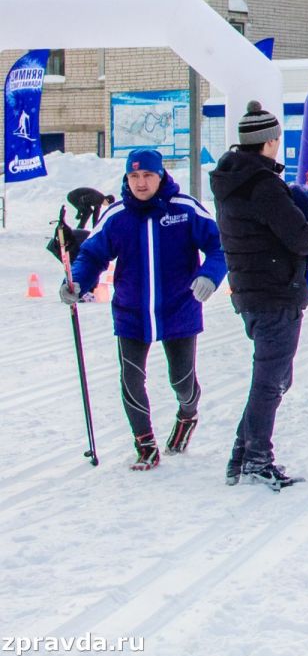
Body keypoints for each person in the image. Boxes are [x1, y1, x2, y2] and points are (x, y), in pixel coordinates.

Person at [62, 149, 226, 469]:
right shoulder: (116, 215)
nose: (140, 182)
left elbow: (220, 246)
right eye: (134, 176)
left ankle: (187, 414)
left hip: (179, 309)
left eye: (147, 175)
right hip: (131, 312)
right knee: (131, 380)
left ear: (160, 175)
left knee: (182, 381)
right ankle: (145, 444)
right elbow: (92, 256)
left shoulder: (184, 209)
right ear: (126, 178)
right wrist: (77, 283)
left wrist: (210, 275)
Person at [210, 101, 308, 490]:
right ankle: (256, 460)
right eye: (277, 139)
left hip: (250, 290)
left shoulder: (232, 183)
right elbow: (297, 235)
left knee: (273, 377)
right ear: (268, 142)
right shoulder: (263, 186)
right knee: (271, 380)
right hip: (275, 291)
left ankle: (242, 455)